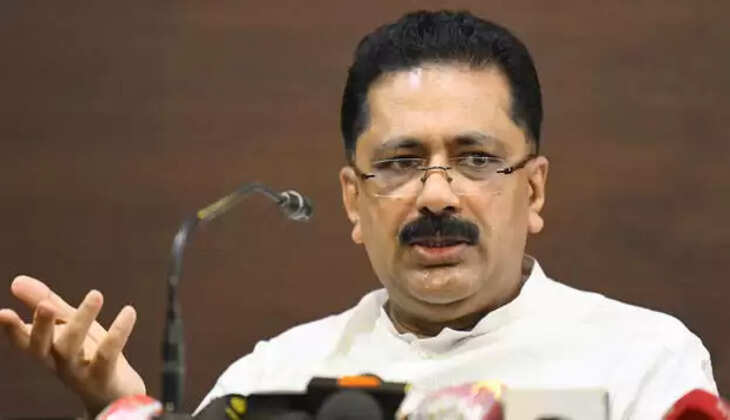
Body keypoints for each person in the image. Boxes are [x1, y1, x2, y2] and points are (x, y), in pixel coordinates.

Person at [0, 10, 718, 419]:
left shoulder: (644, 362)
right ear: (353, 199)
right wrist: (123, 404)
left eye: (474, 158)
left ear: (533, 192)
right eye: (401, 162)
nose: (436, 196)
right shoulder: (274, 376)